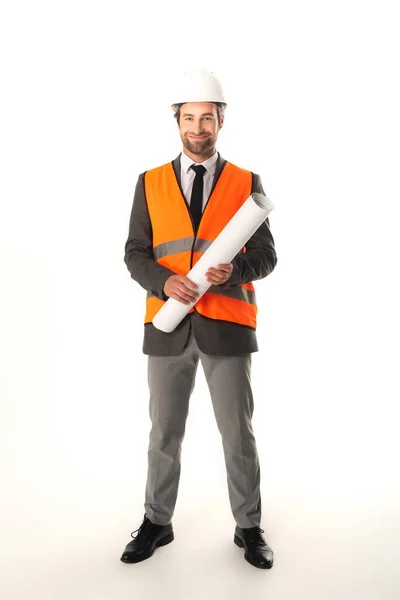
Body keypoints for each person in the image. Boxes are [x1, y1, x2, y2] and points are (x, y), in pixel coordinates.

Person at [121, 68, 277, 569]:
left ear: (221, 121)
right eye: (189, 118)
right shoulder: (149, 183)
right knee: (163, 433)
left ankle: (249, 527)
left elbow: (268, 256)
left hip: (226, 326)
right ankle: (157, 521)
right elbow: (135, 253)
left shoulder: (245, 182)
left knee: (237, 433)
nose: (197, 128)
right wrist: (163, 282)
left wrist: (235, 271)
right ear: (177, 120)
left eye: (207, 118)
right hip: (166, 326)